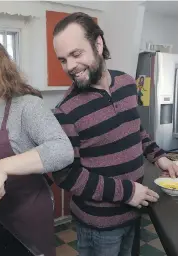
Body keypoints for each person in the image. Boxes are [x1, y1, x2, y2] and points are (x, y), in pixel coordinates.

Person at [51, 12, 178, 256]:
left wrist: (159, 156)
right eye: (63, 59)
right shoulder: (66, 110)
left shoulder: (128, 83)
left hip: (134, 212)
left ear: (98, 43)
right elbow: (67, 176)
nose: (70, 66)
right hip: (99, 226)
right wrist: (128, 192)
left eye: (76, 54)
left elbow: (135, 129)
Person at [0, 35, 74, 256]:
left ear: (1, 68)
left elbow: (62, 150)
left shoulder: (27, 106)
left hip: (28, 213)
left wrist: (2, 167)